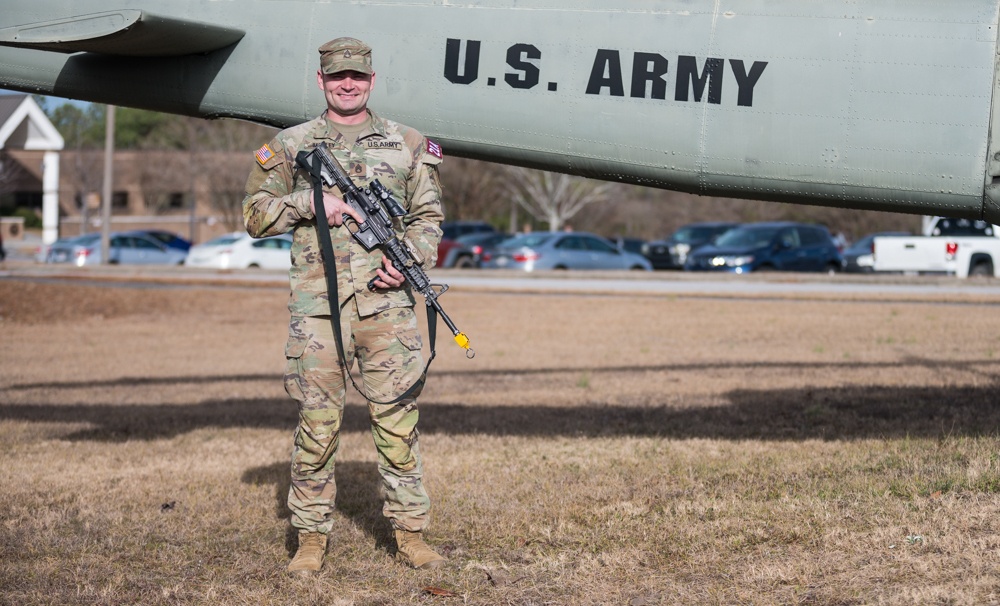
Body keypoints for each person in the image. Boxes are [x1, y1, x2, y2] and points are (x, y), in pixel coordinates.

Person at [242, 37, 447, 575]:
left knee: (397, 423)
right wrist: (309, 202)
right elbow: (253, 215)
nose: (348, 84)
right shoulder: (291, 144)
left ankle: (411, 534)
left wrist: (410, 261)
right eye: (337, 77)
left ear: (372, 80)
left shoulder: (407, 143)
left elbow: (428, 219)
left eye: (357, 76)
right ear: (321, 81)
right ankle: (310, 538)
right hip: (319, 311)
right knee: (317, 422)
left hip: (388, 309)